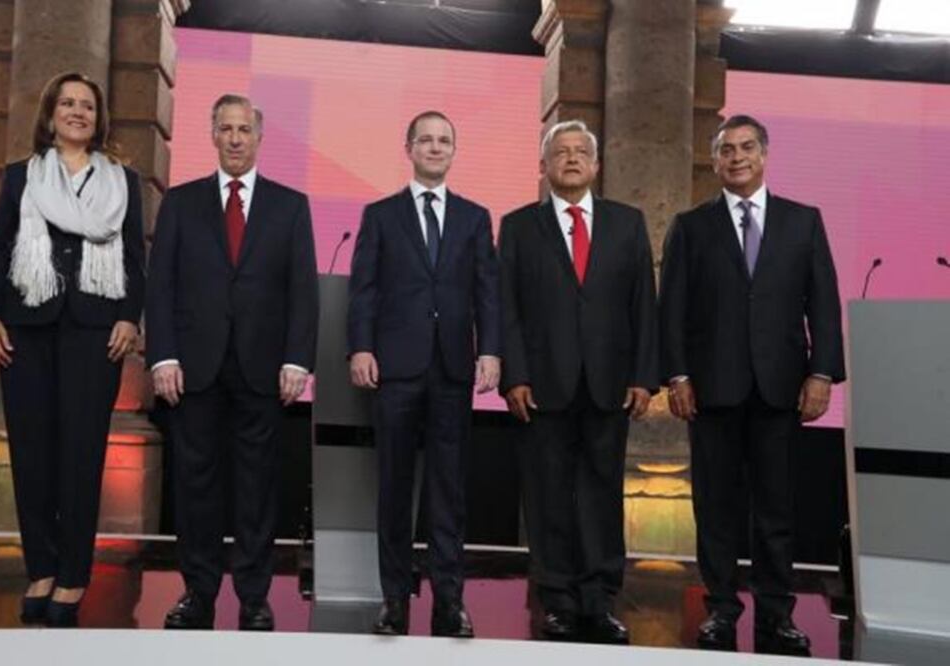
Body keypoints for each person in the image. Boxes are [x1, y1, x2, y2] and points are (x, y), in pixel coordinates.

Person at [658, 114, 845, 655]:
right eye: (726, 150)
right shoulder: (690, 226)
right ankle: (719, 609)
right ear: (714, 161)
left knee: (777, 509)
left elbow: (824, 306)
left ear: (764, 155)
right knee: (714, 507)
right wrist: (678, 375)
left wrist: (822, 372)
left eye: (745, 148)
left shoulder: (802, 222)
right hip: (711, 390)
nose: (736, 157)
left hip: (781, 389)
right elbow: (672, 309)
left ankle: (776, 612)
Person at [0, 72, 145, 627]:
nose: (77, 112)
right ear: (50, 115)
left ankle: (73, 576)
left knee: (80, 455)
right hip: (26, 327)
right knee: (32, 455)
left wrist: (128, 316)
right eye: (68, 103)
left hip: (95, 332)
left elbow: (135, 262)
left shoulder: (124, 182)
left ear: (99, 120)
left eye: (87, 106)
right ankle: (41, 569)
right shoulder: (22, 177)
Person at [146, 94, 318, 631]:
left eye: (245, 129)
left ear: (259, 137)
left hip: (263, 368)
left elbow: (303, 291)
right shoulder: (180, 201)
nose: (237, 138)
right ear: (213, 135)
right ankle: (198, 592)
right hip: (192, 366)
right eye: (227, 128)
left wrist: (297, 359)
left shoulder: (291, 206)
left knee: (257, 487)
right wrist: (163, 355)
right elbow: (161, 284)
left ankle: (253, 596)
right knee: (195, 484)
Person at [499, 120, 657, 644]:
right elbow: (508, 310)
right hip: (542, 385)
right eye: (560, 153)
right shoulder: (519, 226)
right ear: (543, 166)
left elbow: (643, 307)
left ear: (596, 165)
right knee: (547, 497)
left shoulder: (628, 223)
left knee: (602, 494)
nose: (570, 159)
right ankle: (558, 600)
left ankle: (599, 598)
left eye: (580, 152)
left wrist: (643, 376)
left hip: (610, 384)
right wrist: (514, 376)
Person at [347, 111, 500, 637]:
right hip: (395, 369)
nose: (435, 148)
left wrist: (492, 351)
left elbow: (487, 292)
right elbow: (363, 288)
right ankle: (393, 599)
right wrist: (361, 347)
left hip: (453, 370)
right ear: (408, 148)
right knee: (394, 488)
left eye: (444, 141)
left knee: (448, 492)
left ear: (454, 151)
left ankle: (450, 601)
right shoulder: (380, 215)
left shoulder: (476, 218)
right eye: (426, 140)